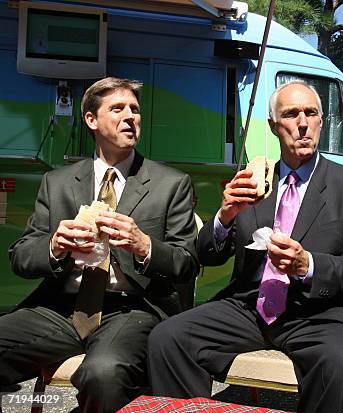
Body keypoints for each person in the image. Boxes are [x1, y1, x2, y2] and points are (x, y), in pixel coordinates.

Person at [148, 80, 343, 413]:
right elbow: (207, 255)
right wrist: (225, 217)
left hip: (322, 313)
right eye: (291, 114)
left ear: (322, 121)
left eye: (311, 113)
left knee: (340, 366)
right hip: (250, 305)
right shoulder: (254, 181)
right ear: (273, 125)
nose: (302, 123)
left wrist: (307, 264)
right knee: (168, 338)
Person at [2, 77, 199, 413]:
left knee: (102, 372)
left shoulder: (170, 184)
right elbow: (20, 255)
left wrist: (144, 245)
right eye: (118, 109)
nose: (130, 117)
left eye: (135, 110)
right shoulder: (58, 182)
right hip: (61, 308)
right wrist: (55, 245)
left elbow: (187, 261)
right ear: (91, 121)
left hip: (131, 308)